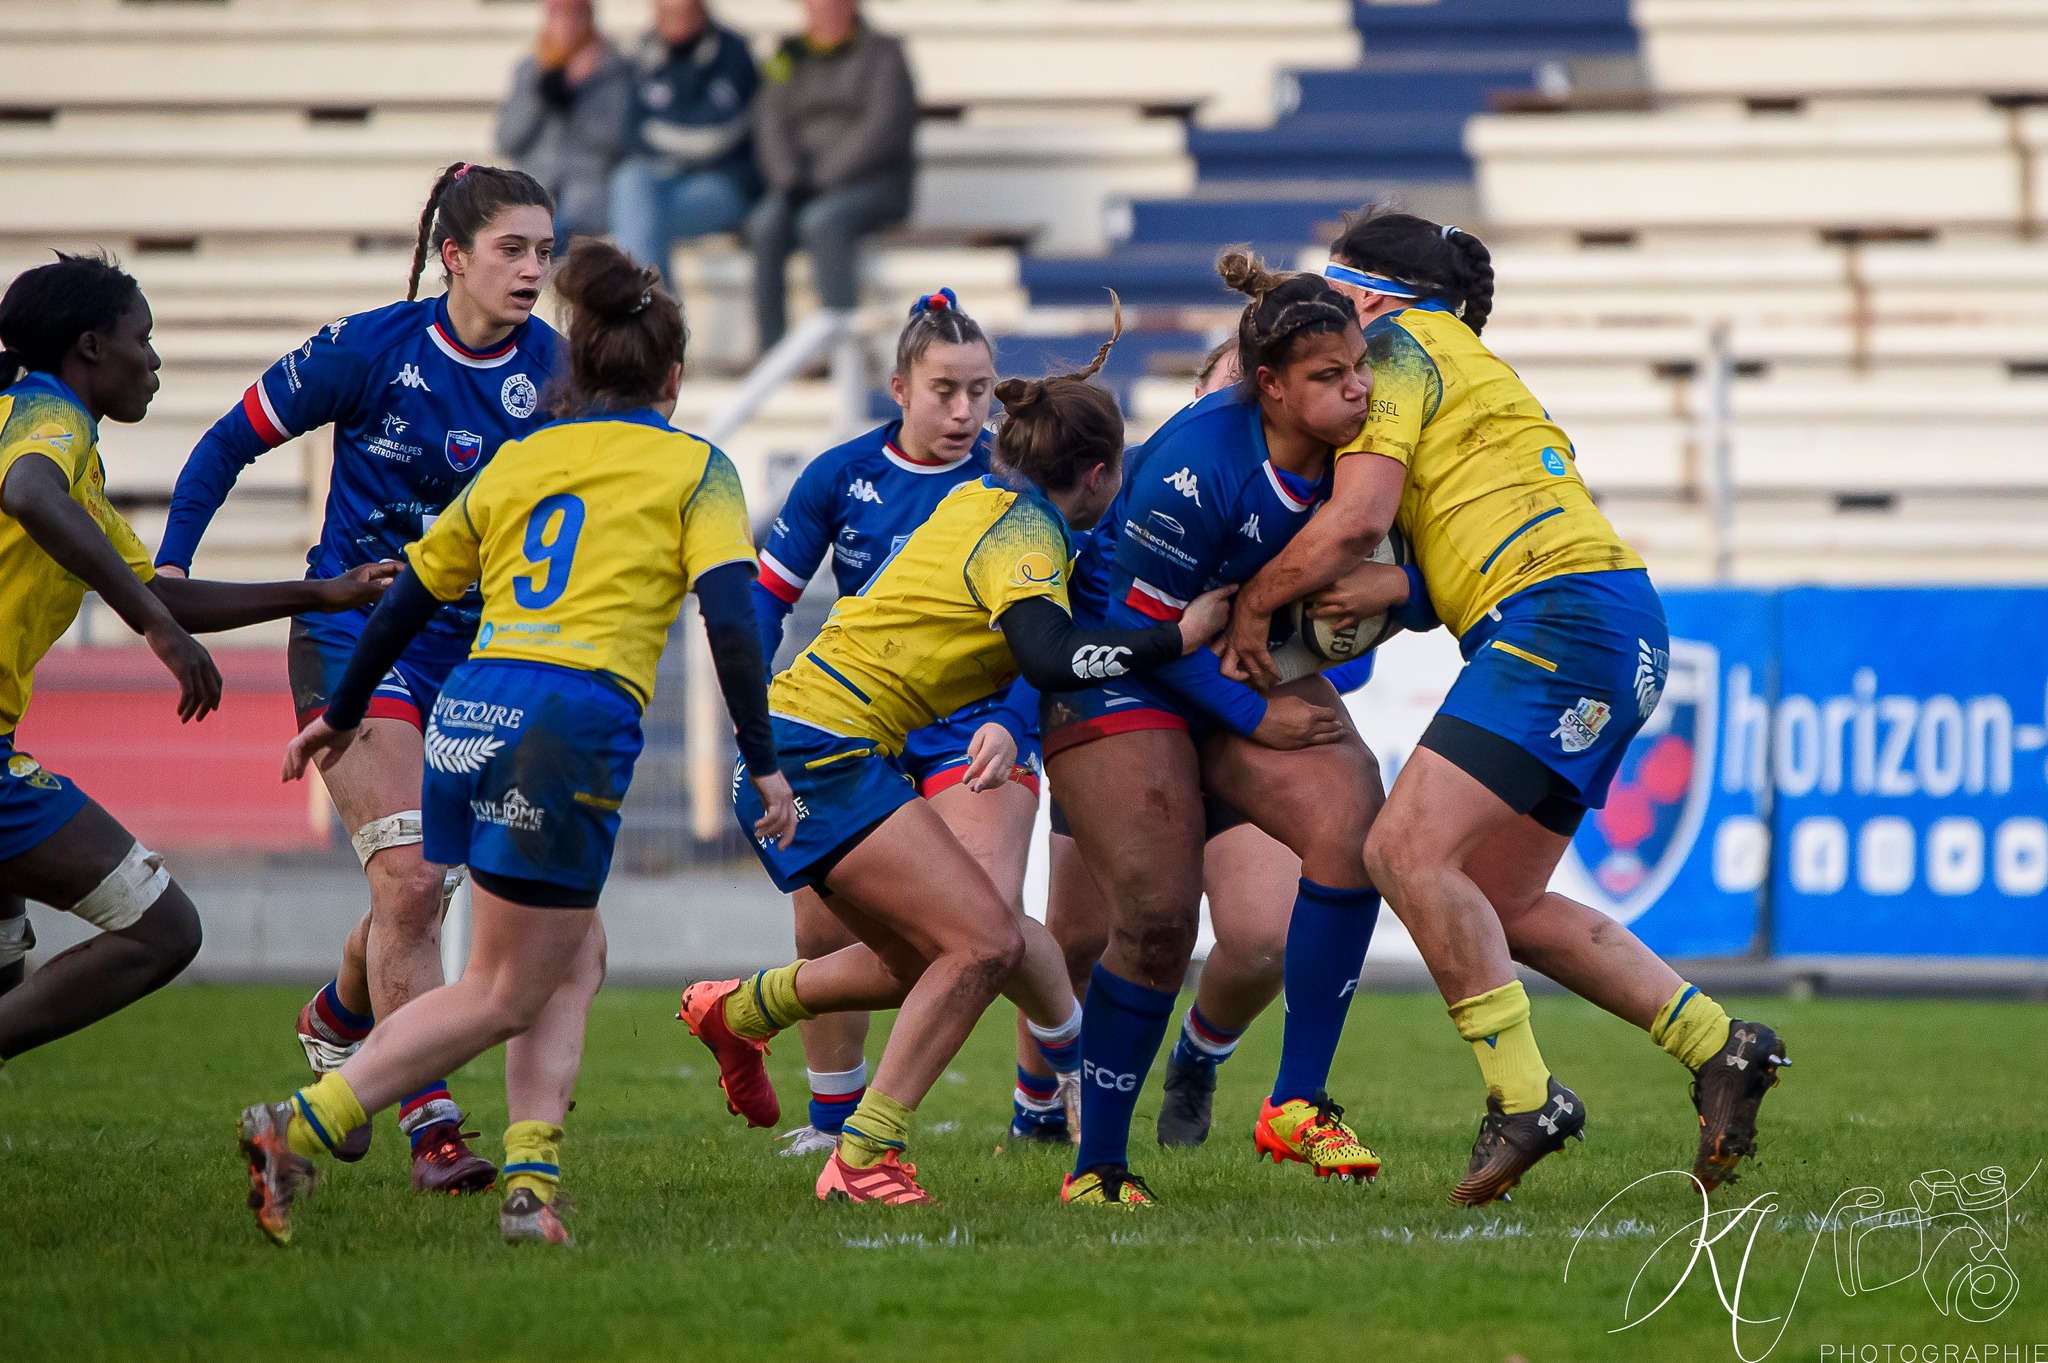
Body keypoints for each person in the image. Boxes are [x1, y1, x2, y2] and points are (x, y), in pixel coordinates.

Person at [1220, 210, 1790, 1207]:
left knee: (1400, 849)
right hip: (1618, 620)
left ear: (1365, 297)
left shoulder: (1392, 350)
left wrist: (1255, 605)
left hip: (1556, 618)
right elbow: (1452, 533)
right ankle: (1719, 1044)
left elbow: (1358, 517)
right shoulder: (1475, 363)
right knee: (1501, 900)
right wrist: (1395, 593)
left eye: (1333, 297)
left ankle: (1524, 1099)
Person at [238, 239, 796, 1248]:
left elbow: (410, 593)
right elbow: (731, 621)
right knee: (503, 985)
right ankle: (297, 1126)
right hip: (566, 720)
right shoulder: (694, 468)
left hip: (472, 705)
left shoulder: (521, 457)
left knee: (572, 949)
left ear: (573, 373)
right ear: (673, 378)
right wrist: (761, 761)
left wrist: (341, 706)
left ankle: (533, 1185)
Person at [683, 321, 1236, 1205]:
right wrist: (1178, 635)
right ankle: (864, 1153)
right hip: (822, 751)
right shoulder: (1024, 535)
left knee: (928, 955)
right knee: (987, 939)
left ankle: (736, 1011)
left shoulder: (980, 502)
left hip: (816, 740)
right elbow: (1050, 655)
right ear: (1098, 476)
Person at [159, 163, 565, 1194]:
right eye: (512, 249)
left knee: (418, 893)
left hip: (486, 656)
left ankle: (337, 1017)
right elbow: (224, 443)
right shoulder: (368, 348)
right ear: (455, 256)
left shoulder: (558, 374)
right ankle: (432, 1129)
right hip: (358, 639)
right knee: (413, 880)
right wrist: (171, 569)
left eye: (544, 251)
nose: (532, 270)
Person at [1043, 249, 1424, 1208]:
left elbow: (1423, 571)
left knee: (1352, 824)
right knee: (1160, 919)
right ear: (1271, 388)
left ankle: (1296, 1100)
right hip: (1129, 670)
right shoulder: (1194, 466)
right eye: (1331, 378)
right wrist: (1256, 711)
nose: (1358, 391)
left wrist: (1407, 592)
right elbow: (1151, 637)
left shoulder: (1368, 441)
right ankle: (1098, 1166)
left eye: (1360, 371)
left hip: (1228, 662)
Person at [0, 254, 393, 1066]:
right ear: (91, 348)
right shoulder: (51, 420)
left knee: (7, 934)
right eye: (142, 339)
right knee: (165, 929)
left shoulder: (60, 443)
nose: (155, 361)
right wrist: (156, 630)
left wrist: (320, 595)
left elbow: (160, 591)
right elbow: (31, 497)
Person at [743, 288, 1077, 1158]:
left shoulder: (1013, 479)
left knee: (984, 916)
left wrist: (1013, 718)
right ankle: (831, 1123)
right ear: (899, 387)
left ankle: (1047, 1094)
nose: (965, 410)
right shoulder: (838, 475)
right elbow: (764, 604)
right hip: (863, 731)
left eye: (980, 390)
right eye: (944, 390)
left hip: (981, 729)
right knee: (825, 927)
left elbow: (1046, 625)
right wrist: (751, 711)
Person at [747, 0, 917, 352]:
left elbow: (883, 129)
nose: (821, 8)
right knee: (764, 225)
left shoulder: (885, 54)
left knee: (822, 221)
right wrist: (788, 179)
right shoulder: (786, 54)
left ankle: (843, 352)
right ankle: (773, 352)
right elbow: (768, 118)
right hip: (800, 185)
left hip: (874, 184)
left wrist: (824, 180)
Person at [608, 0, 762, 292]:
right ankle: (658, 313)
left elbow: (716, 134)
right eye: (666, 13)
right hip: (663, 183)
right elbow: (629, 134)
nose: (675, 21)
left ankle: (650, 315)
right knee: (629, 181)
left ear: (701, 10)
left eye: (684, 12)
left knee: (637, 216)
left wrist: (659, 135)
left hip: (724, 184)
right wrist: (672, 138)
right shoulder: (646, 53)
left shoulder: (732, 53)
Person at [495, 0, 634, 247]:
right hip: (534, 186)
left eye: (575, 14)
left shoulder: (614, 69)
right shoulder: (529, 70)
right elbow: (507, 139)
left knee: (549, 234)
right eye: (558, 14)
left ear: (589, 18)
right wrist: (547, 89)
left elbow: (616, 140)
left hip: (588, 192)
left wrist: (574, 91)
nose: (566, 24)